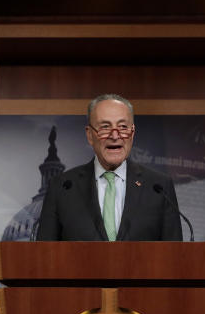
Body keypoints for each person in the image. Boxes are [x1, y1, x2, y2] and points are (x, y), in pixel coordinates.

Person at [36, 94, 183, 241]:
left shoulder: (159, 187)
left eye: (123, 127)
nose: (114, 135)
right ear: (89, 135)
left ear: (132, 133)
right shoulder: (61, 188)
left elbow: (174, 255)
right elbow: (45, 256)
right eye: (105, 127)